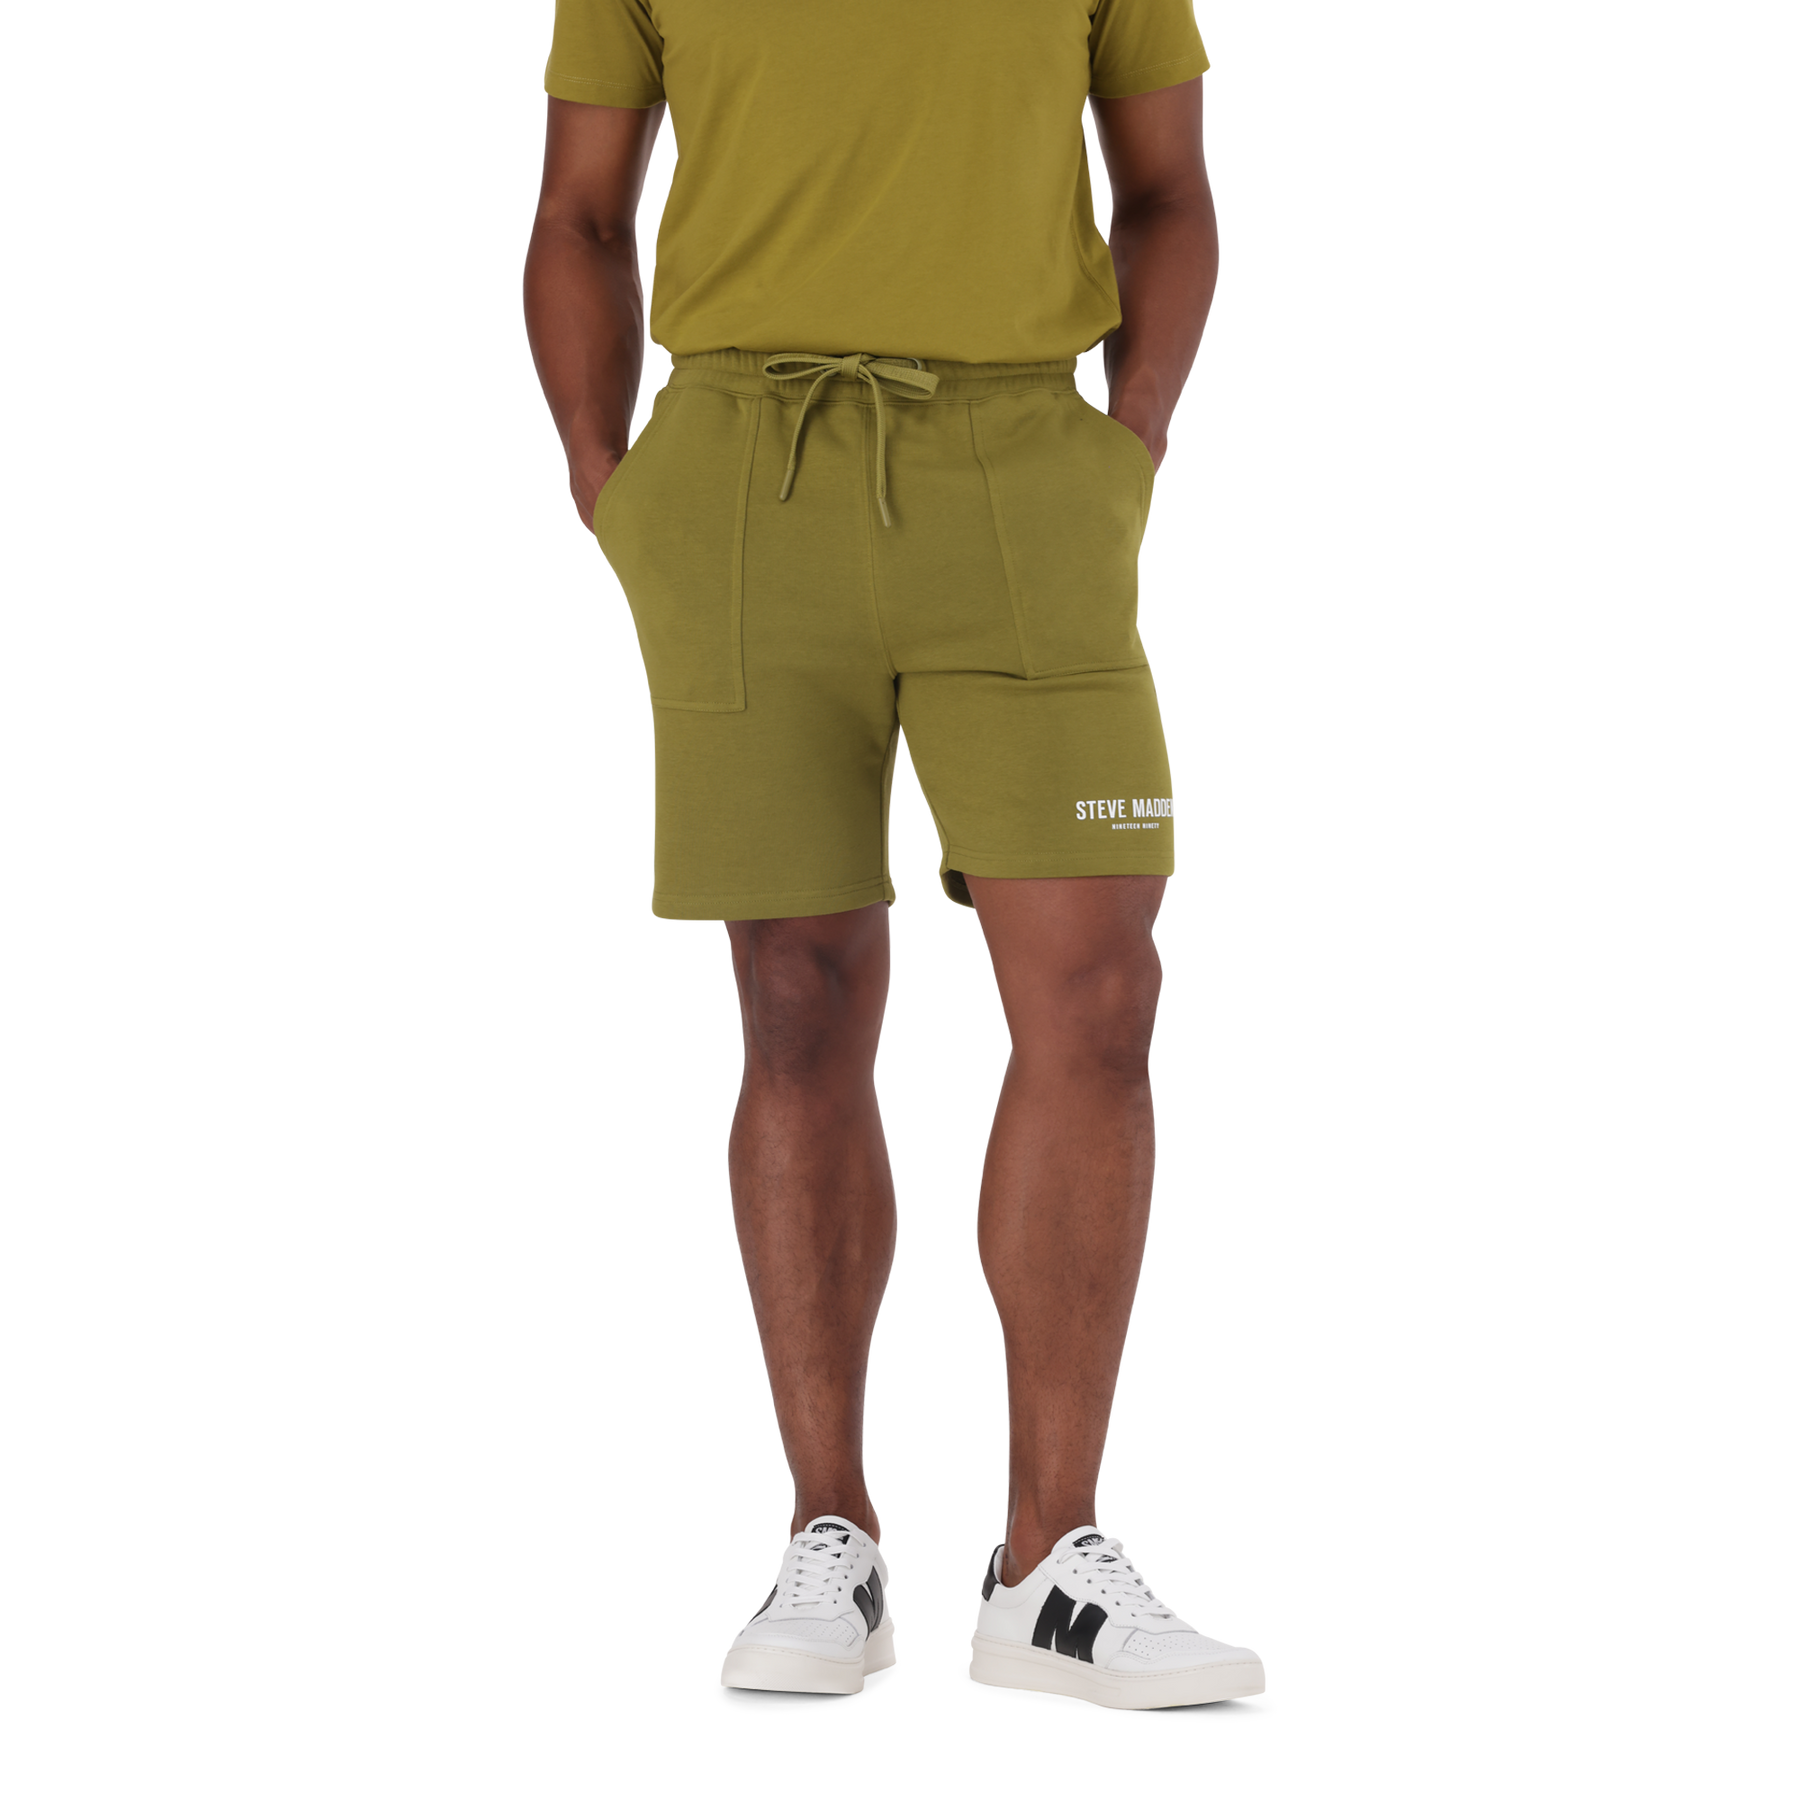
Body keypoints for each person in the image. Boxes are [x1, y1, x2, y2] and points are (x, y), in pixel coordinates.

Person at [523, 0, 1267, 1713]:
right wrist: (606, 474)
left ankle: (1049, 1567)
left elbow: (1168, 185)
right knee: (796, 997)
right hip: (742, 470)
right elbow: (578, 209)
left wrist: (1134, 439)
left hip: (1025, 471)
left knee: (1100, 997)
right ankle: (831, 1539)